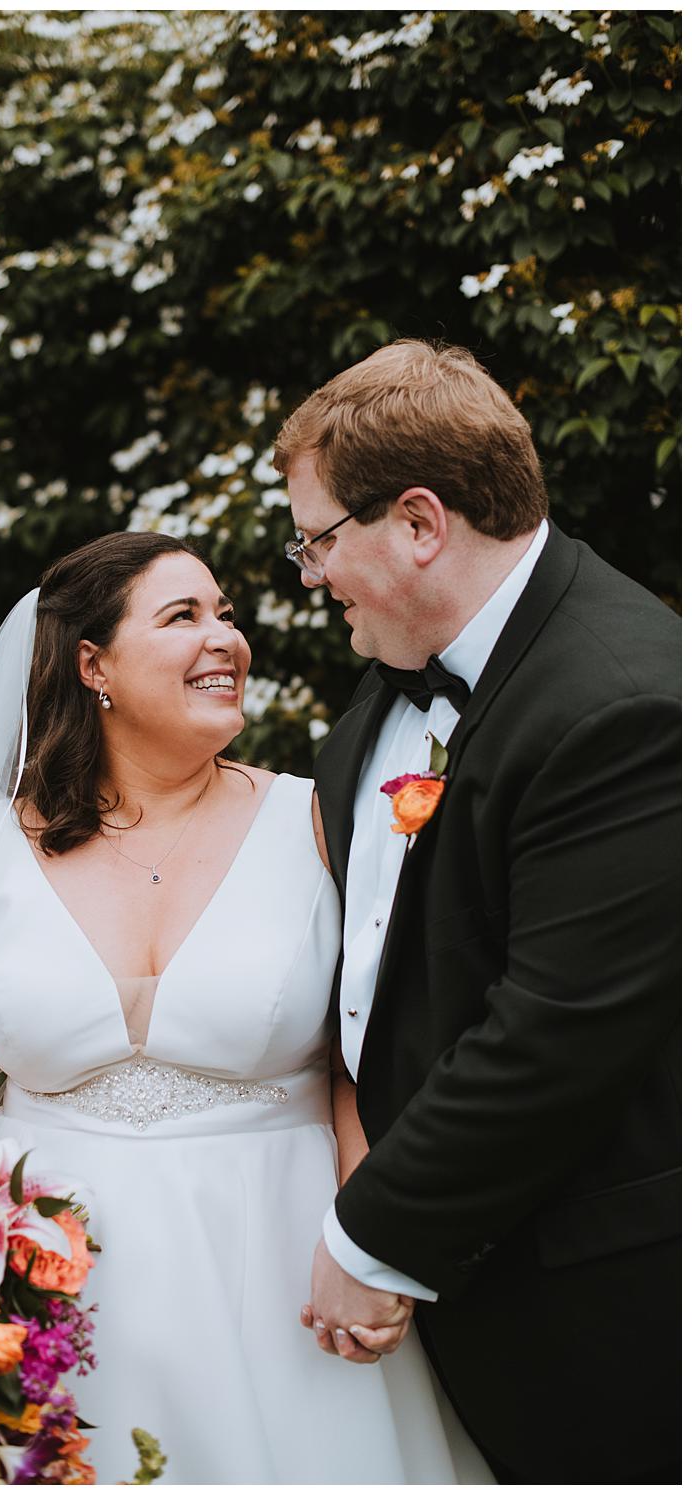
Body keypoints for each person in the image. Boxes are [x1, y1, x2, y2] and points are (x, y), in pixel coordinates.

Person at [0, 531, 489, 1481]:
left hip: (286, 1276)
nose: (225, 638)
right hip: (49, 1289)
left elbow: (362, 1066)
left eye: (227, 615)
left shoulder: (316, 821)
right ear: (94, 666)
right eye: (183, 616)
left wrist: (373, 1242)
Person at [279, 340, 680, 1483]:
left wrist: (373, 1234)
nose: (308, 574)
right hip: (458, 1291)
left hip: (595, 1306)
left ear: (417, 521)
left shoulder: (624, 704)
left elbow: (554, 1032)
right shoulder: (394, 683)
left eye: (316, 539)